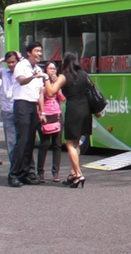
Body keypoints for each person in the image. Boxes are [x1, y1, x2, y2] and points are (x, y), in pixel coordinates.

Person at [45, 52, 91, 189]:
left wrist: (46, 78)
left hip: (74, 109)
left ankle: (78, 173)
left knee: (70, 144)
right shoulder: (84, 74)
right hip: (86, 109)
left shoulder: (64, 76)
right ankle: (73, 173)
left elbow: (51, 92)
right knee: (77, 143)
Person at [8, 42, 48, 187]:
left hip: (32, 105)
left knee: (30, 141)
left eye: (40, 51)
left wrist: (41, 111)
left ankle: (25, 173)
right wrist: (35, 76)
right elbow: (22, 81)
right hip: (21, 104)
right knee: (22, 140)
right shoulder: (22, 66)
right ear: (29, 53)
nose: (39, 54)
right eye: (36, 51)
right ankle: (13, 174)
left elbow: (40, 93)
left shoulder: (38, 68)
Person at [0, 51, 21, 164]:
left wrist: (20, 57)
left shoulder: (23, 72)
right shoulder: (4, 72)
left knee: (22, 140)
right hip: (7, 110)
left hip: (20, 110)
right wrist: (2, 59)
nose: (11, 65)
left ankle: (22, 166)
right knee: (11, 141)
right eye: (9, 62)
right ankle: (14, 165)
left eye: (13, 62)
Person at [37, 62, 64, 183]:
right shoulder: (41, 83)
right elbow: (41, 96)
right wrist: (42, 113)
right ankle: (40, 172)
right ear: (46, 70)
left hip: (57, 114)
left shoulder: (58, 82)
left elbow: (62, 98)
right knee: (45, 144)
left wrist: (58, 87)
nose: (53, 71)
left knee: (57, 145)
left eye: (54, 68)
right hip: (45, 114)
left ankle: (56, 172)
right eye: (50, 68)